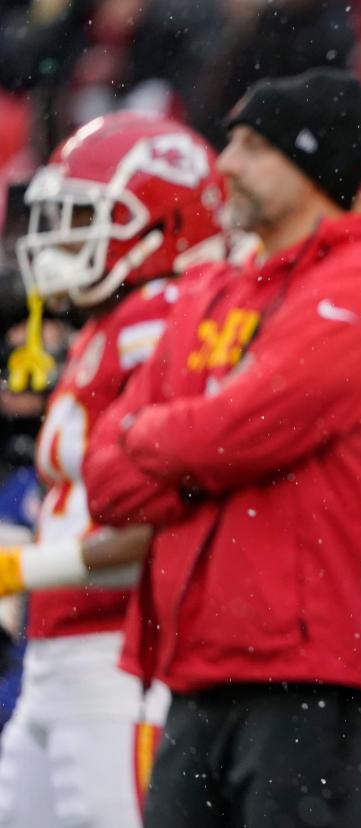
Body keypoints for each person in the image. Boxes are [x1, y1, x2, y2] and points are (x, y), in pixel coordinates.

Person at [81, 68, 361, 828]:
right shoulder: (213, 290)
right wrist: (195, 451)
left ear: (311, 164)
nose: (226, 163)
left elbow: (239, 433)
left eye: (251, 144)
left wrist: (164, 440)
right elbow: (105, 477)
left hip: (315, 674)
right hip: (199, 669)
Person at [0, 112, 224, 828]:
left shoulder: (165, 318)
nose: (57, 241)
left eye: (81, 219)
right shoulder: (104, 323)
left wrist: (22, 570)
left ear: (165, 225)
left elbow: (164, 515)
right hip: (56, 654)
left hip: (115, 656)